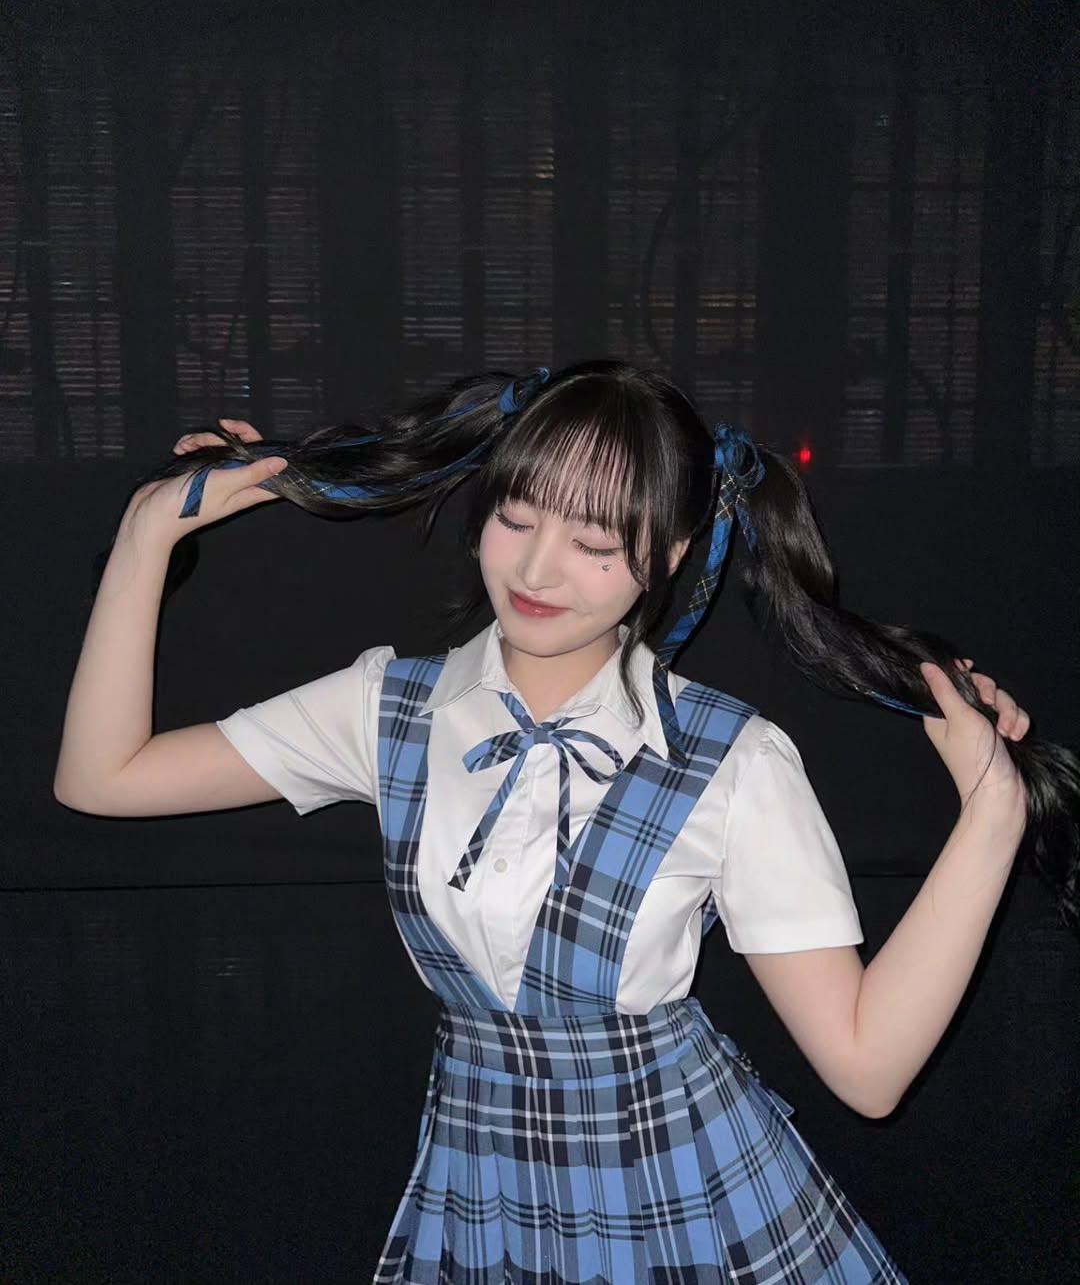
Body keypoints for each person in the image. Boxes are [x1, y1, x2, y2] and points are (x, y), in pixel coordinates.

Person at [55, 360, 1075, 1283]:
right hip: (480, 1181)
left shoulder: (731, 760)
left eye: (594, 544)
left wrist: (994, 809)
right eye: (516, 518)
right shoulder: (388, 709)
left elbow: (869, 1069)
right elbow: (102, 778)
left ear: (666, 557)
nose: (538, 573)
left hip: (681, 1184)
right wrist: (149, 534)